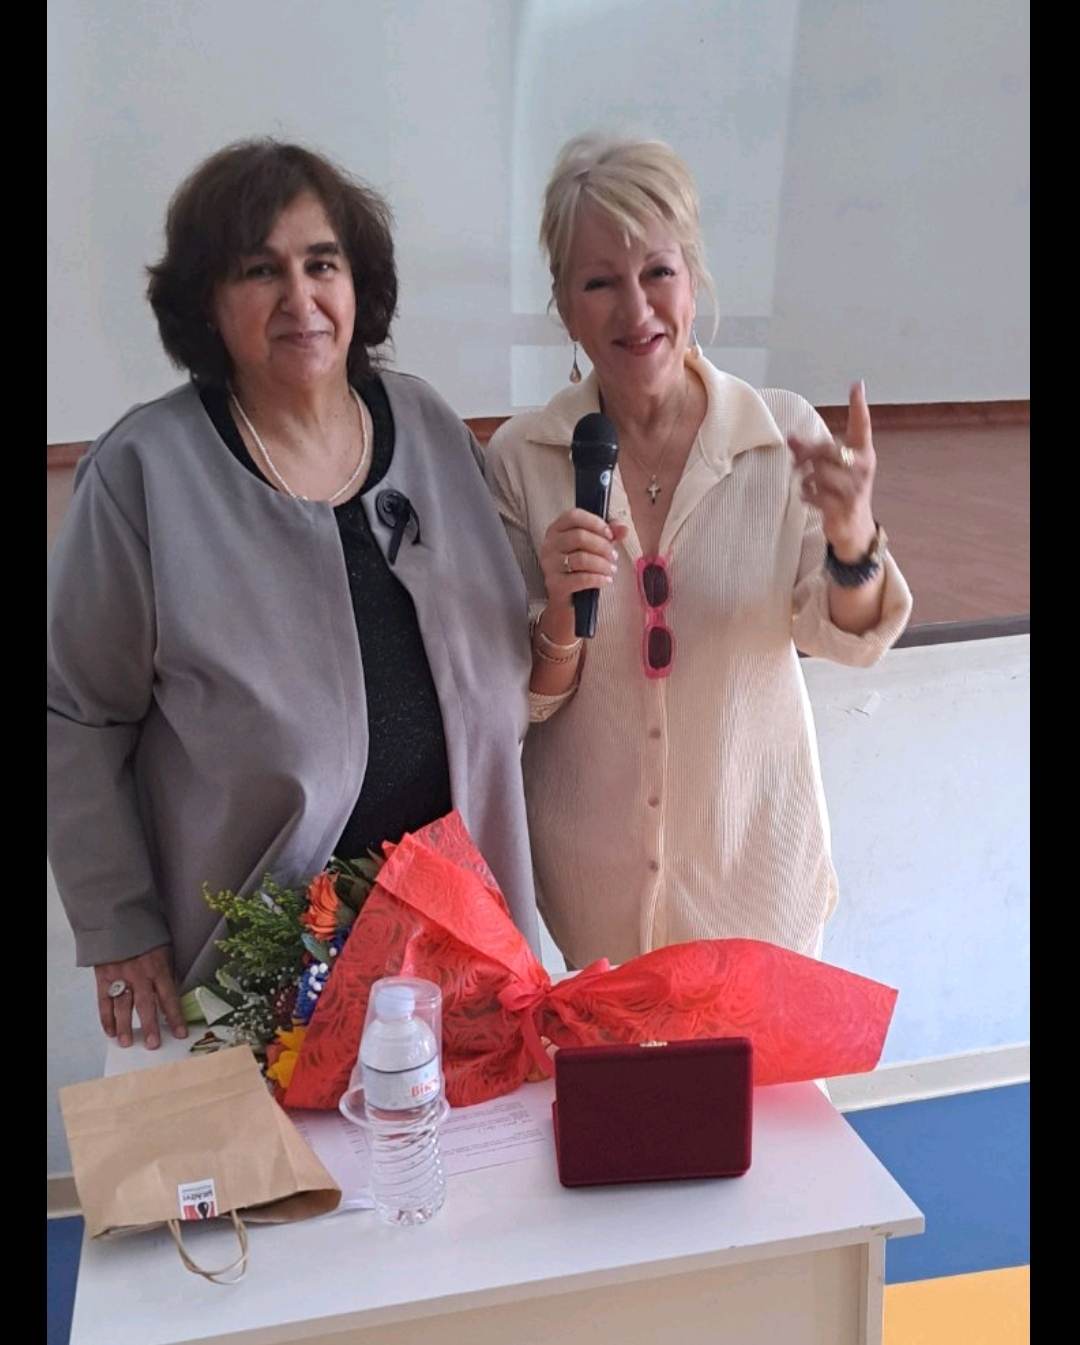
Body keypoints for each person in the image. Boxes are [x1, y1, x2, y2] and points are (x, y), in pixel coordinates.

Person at [48, 139, 539, 1049]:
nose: (299, 298)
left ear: (358, 282)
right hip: (257, 975)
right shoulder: (144, 473)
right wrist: (119, 924)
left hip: (465, 951)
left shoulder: (430, 427)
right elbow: (75, 714)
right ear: (207, 301)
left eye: (322, 263)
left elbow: (517, 658)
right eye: (259, 271)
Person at [485, 133, 913, 970]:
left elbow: (845, 636)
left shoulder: (778, 432)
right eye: (599, 282)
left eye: (657, 272)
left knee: (759, 1068)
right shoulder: (521, 457)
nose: (635, 309)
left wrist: (853, 541)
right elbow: (518, 701)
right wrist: (561, 616)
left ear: (693, 278)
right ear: (564, 307)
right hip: (591, 900)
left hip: (757, 889)